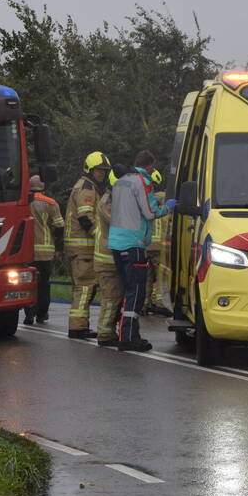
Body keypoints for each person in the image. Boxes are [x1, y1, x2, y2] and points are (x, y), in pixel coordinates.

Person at [108, 150, 175, 352]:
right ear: (148, 166)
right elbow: (149, 212)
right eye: (153, 167)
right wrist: (169, 207)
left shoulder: (120, 182)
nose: (153, 171)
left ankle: (129, 334)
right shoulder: (142, 181)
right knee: (136, 293)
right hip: (134, 243)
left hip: (117, 243)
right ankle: (128, 338)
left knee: (128, 290)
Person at [64, 151, 111, 338]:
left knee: (83, 287)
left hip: (79, 247)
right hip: (82, 247)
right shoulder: (87, 188)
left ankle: (80, 325)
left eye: (104, 171)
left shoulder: (87, 186)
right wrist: (102, 237)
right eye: (99, 171)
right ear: (89, 170)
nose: (102, 174)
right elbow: (85, 218)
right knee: (84, 287)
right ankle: (78, 327)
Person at [93, 164, 129, 347]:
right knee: (110, 297)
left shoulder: (114, 198)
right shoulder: (108, 201)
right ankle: (105, 334)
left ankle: (110, 330)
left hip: (114, 258)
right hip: (107, 259)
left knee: (117, 296)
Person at [25, 174, 63, 325]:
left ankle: (29, 314)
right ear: (43, 187)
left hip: (25, 252)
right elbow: (59, 226)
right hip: (45, 252)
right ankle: (42, 314)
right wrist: (58, 246)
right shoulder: (50, 203)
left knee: (28, 284)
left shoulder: (22, 201)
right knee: (44, 284)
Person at [143, 169, 172, 317]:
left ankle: (144, 304)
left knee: (146, 276)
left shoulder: (146, 198)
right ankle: (159, 303)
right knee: (161, 276)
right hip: (159, 246)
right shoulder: (164, 198)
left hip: (145, 245)